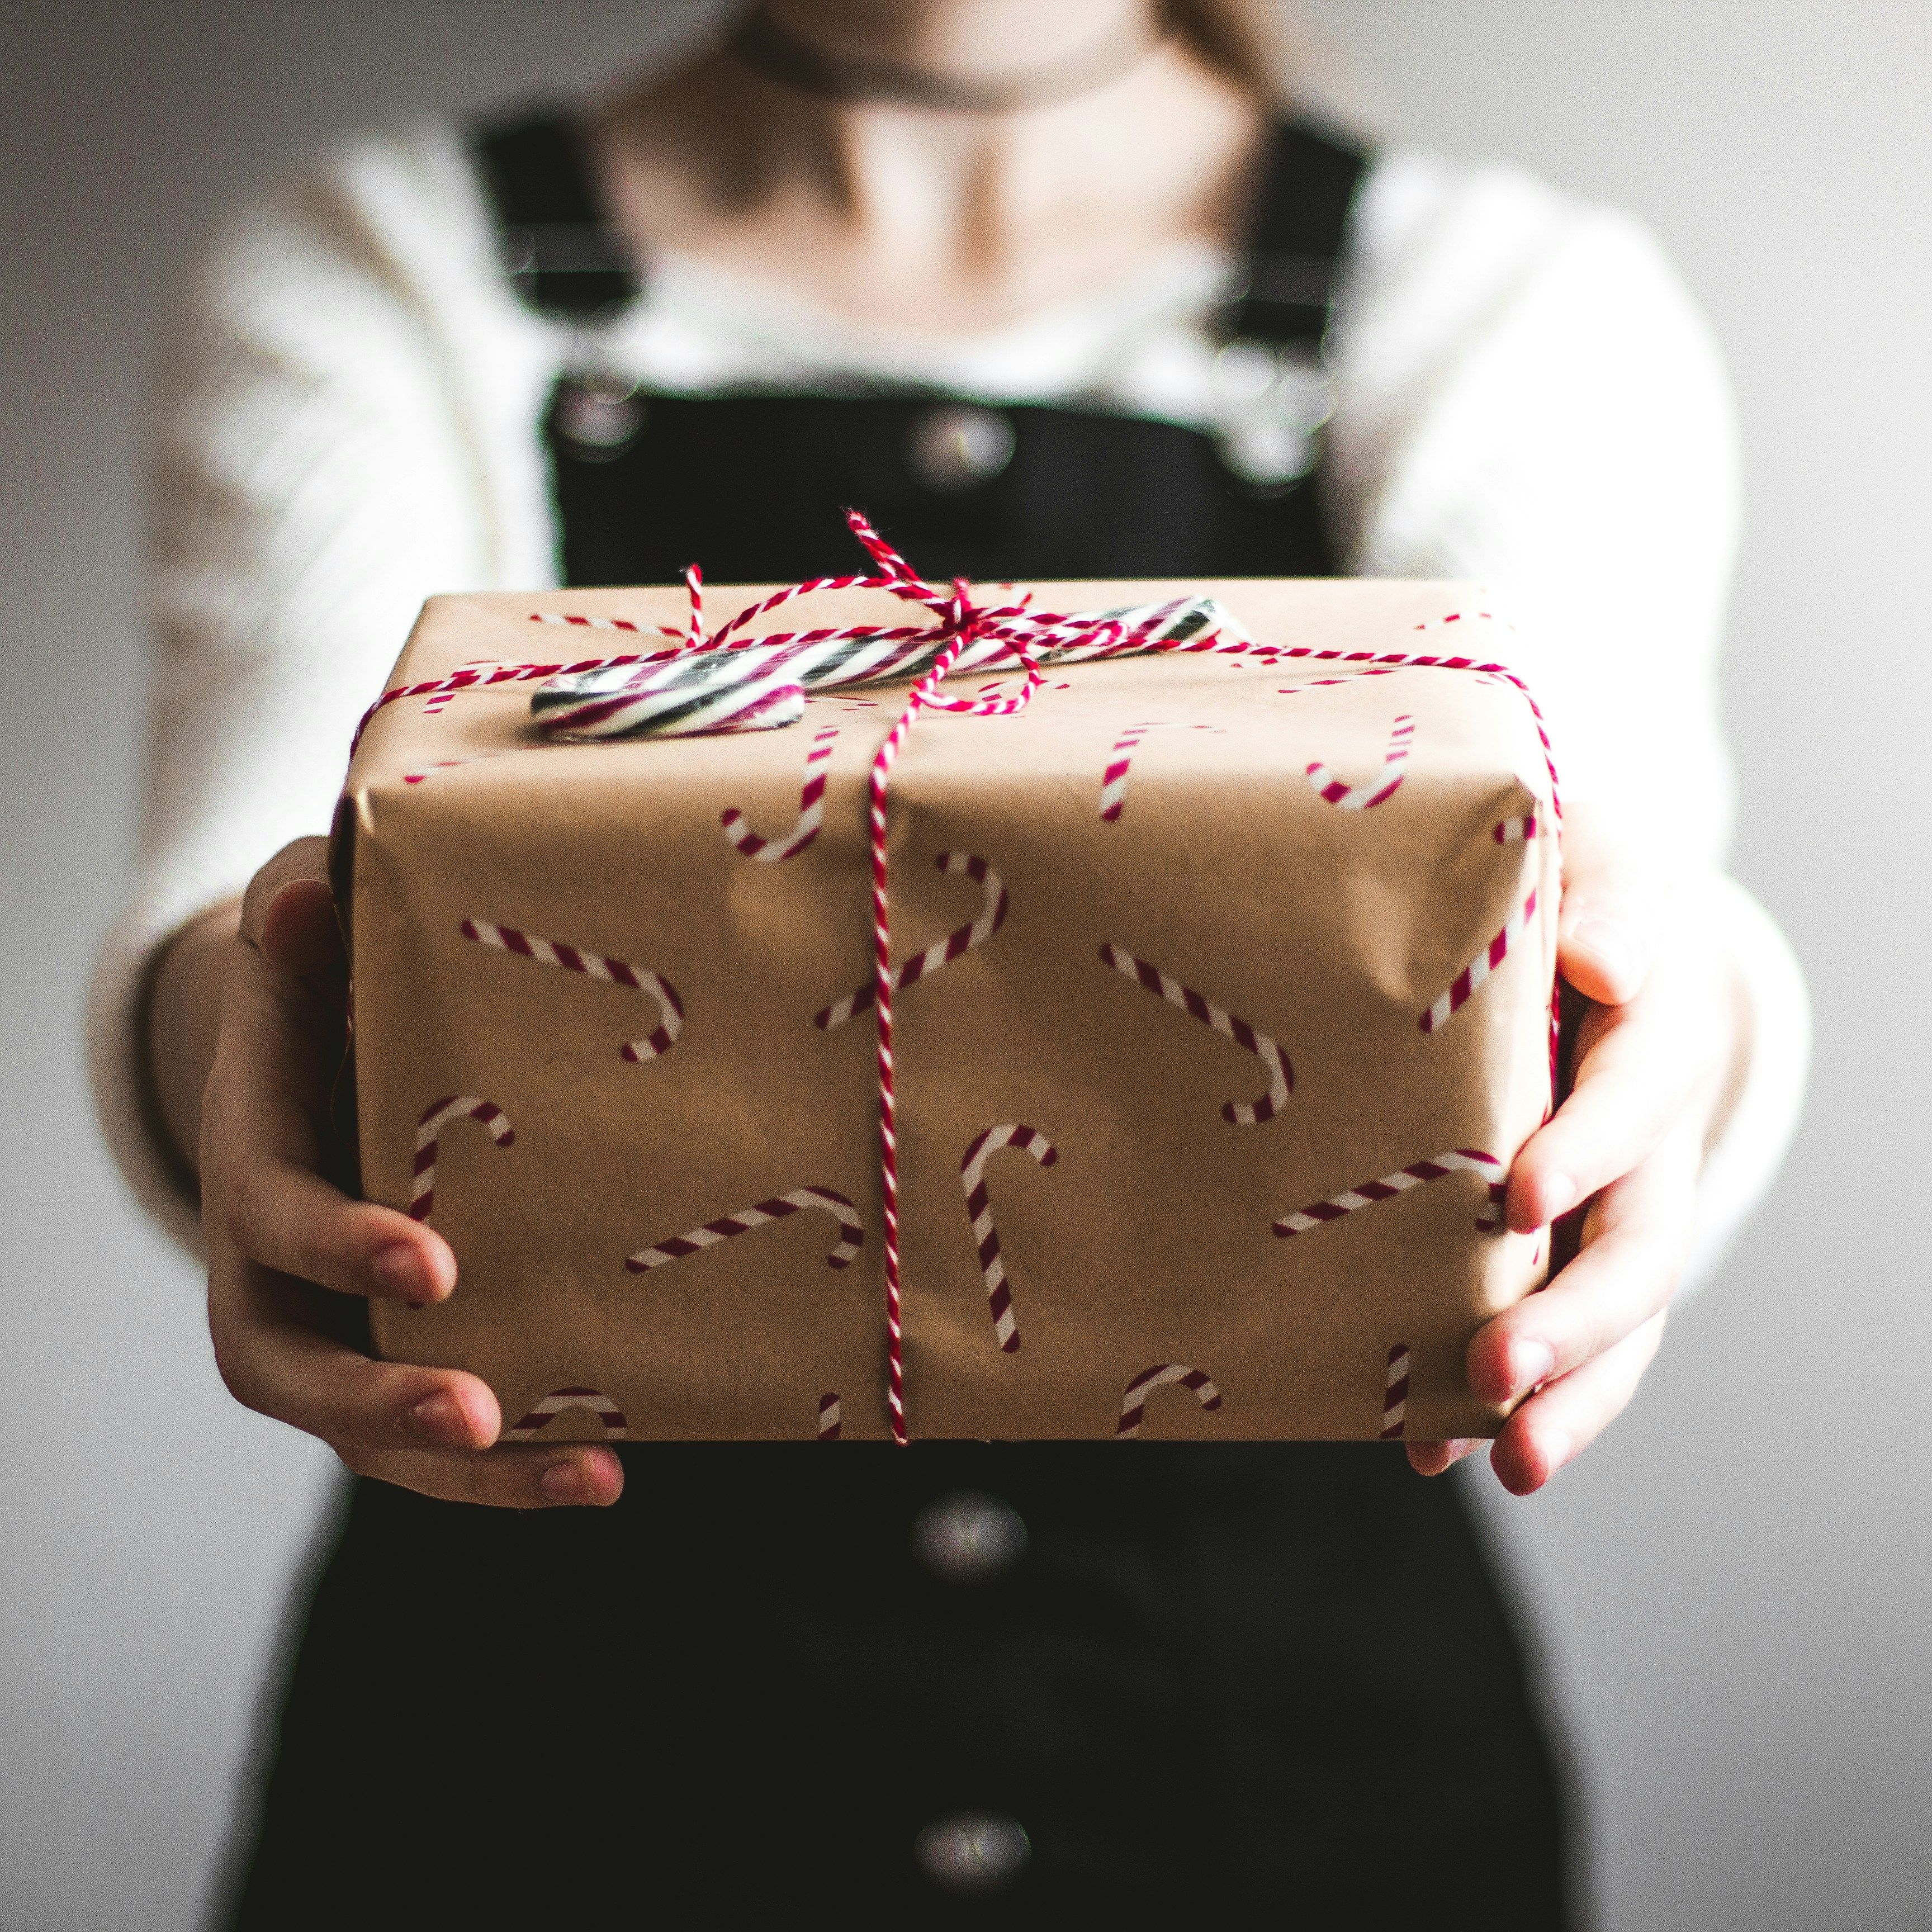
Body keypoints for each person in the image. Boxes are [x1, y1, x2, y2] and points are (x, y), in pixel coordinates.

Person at [92, 0, 1809, 1923]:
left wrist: (1690, 1024)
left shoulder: (1503, 297)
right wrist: (233, 1050)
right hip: (539, 1801)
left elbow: (1613, 871)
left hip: (1296, 1799)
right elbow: (260, 883)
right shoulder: (384, 270)